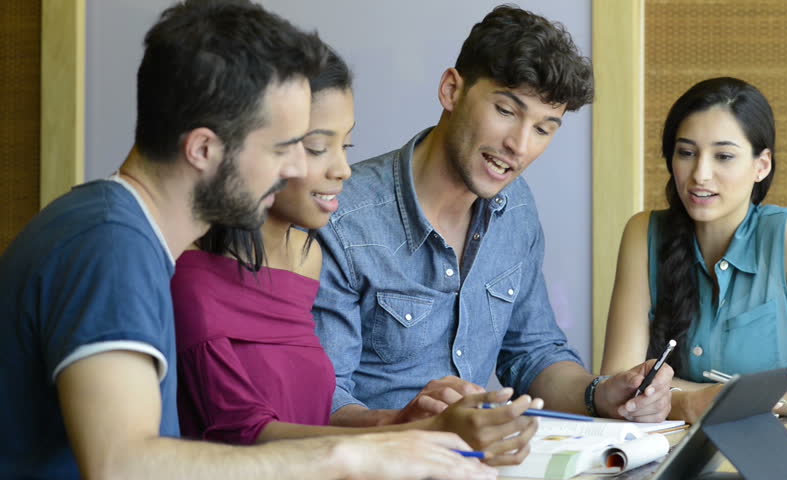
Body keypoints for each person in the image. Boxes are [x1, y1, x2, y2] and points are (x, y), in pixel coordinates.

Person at [0, 1, 496, 479]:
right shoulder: (109, 248)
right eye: (284, 148)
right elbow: (123, 466)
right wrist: (350, 459)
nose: (297, 169)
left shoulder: (121, 232)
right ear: (204, 149)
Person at [312, 4, 674, 434]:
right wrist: (406, 425)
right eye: (506, 110)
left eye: (544, 128)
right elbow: (319, 401)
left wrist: (601, 393)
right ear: (451, 90)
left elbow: (532, 352)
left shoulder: (515, 208)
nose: (519, 146)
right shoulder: (342, 220)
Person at [172, 48, 538, 465]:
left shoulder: (305, 255)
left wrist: (402, 420)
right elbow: (247, 439)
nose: (344, 169)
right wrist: (422, 433)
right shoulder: (192, 282)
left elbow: (315, 418)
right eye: (316, 147)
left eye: (345, 146)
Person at [601, 77, 787, 424]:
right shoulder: (643, 233)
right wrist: (694, 403)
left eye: (724, 156)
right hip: (666, 453)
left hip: (774, 455)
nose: (700, 174)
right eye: (687, 153)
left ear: (761, 166)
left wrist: (714, 401)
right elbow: (618, 386)